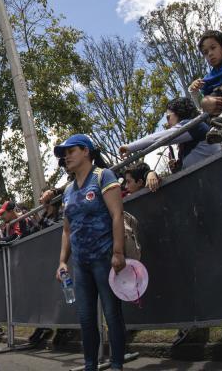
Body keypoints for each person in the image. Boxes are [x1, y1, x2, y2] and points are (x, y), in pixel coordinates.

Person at [55, 134, 126, 371]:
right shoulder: (67, 191)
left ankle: (116, 364)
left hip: (105, 259)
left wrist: (118, 252)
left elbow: (117, 215)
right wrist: (62, 261)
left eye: (70, 151)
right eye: (63, 154)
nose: (66, 157)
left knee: (112, 314)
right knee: (85, 318)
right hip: (81, 264)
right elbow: (67, 229)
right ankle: (90, 365)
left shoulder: (103, 176)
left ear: (86, 151)